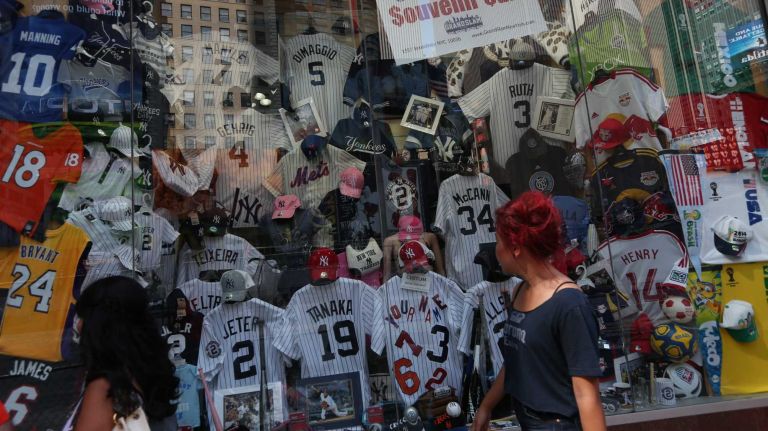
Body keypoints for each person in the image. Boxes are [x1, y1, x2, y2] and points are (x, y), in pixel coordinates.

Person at [472, 191, 605, 431]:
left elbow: (587, 397)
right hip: (526, 420)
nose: (495, 249)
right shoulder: (520, 291)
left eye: (499, 241)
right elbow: (515, 360)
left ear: (515, 248)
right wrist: (486, 406)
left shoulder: (569, 305)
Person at [66, 276, 179, 430]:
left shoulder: (105, 389)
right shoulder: (147, 376)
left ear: (102, 325)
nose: (79, 325)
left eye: (85, 317)